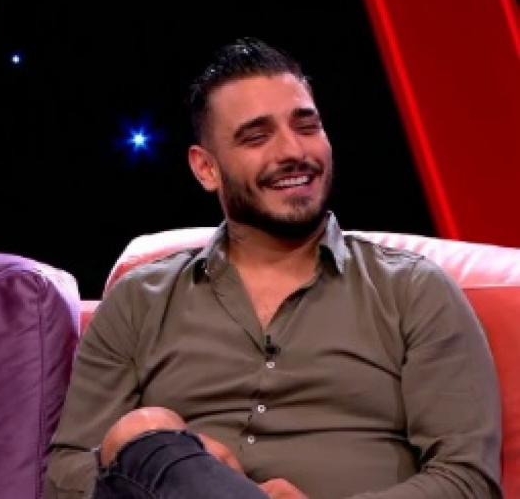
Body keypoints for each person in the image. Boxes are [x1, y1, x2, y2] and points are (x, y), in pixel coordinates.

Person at [46, 37, 502, 498]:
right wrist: (179, 466)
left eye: (307, 127)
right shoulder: (138, 302)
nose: (292, 151)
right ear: (206, 169)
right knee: (143, 434)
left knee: (141, 435)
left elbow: (466, 481)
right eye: (257, 137)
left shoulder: (415, 292)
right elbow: (66, 474)